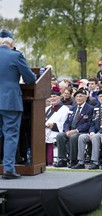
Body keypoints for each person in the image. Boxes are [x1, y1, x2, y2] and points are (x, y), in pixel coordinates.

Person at [0, 29, 37, 179]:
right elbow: (30, 79)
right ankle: (8, 169)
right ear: (11, 43)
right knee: (10, 134)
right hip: (10, 101)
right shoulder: (16, 55)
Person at [73, 89, 102, 169]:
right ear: (97, 98)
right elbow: (92, 122)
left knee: (96, 137)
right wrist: (92, 132)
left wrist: (98, 133)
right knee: (82, 137)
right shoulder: (96, 108)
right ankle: (81, 162)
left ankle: (95, 162)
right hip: (95, 132)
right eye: (100, 96)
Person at [54, 88, 94, 168]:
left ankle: (73, 160)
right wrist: (67, 130)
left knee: (73, 137)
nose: (79, 98)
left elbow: (89, 123)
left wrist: (76, 130)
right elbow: (67, 122)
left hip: (82, 132)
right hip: (71, 131)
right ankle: (63, 159)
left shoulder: (90, 108)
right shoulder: (72, 108)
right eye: (77, 97)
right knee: (60, 135)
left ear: (85, 98)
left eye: (81, 96)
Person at [45, 88, 70, 165]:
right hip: (45, 131)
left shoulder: (65, 109)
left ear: (60, 97)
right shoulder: (47, 108)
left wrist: (54, 125)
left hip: (56, 131)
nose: (52, 98)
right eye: (51, 96)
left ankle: (56, 159)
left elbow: (65, 122)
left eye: (54, 96)